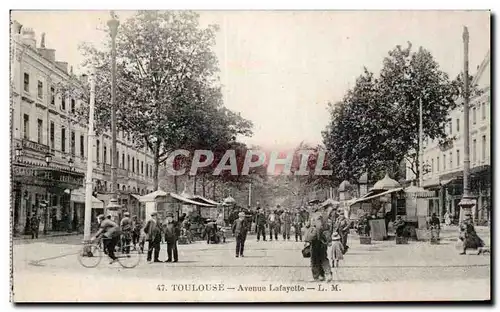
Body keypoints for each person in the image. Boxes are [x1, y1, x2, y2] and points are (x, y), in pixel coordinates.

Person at [304, 213, 332, 282]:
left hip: (316, 241)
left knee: (314, 259)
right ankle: (326, 274)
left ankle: (316, 277)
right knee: (323, 257)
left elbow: (317, 228)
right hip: (323, 241)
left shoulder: (316, 216)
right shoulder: (325, 216)